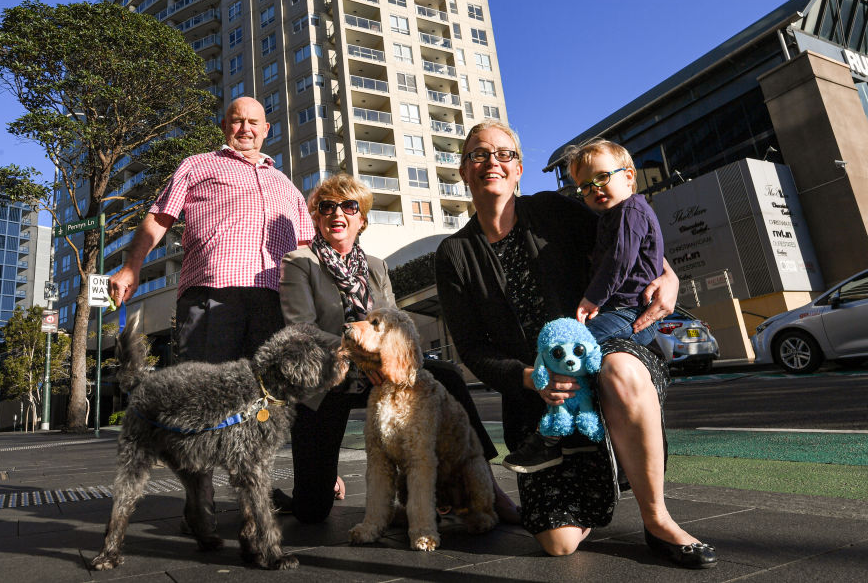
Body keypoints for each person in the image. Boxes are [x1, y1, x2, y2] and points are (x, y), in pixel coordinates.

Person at [435, 121, 717, 569]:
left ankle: (657, 518)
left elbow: (625, 231)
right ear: (464, 171)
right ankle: (604, 469)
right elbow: (470, 347)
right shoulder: (454, 253)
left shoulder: (552, 210)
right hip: (540, 401)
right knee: (558, 544)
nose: (492, 162)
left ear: (519, 169)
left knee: (619, 371)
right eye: (478, 155)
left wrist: (669, 274)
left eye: (504, 154)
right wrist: (529, 378)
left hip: (609, 354)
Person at [108, 96, 315, 538]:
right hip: (210, 295)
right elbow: (158, 218)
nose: (245, 128)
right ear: (224, 126)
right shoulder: (197, 165)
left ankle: (251, 514)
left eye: (253, 122)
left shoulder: (286, 186)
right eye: (237, 121)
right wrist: (132, 265)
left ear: (266, 129)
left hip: (270, 304)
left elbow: (310, 250)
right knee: (198, 404)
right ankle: (198, 507)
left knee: (262, 410)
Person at [273, 173, 520, 525]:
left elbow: (394, 323)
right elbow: (303, 330)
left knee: (446, 376)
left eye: (348, 206)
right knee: (312, 512)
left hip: (383, 373)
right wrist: (363, 355)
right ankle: (301, 492)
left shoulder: (375, 266)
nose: (336, 213)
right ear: (316, 217)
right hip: (327, 380)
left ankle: (488, 488)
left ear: (362, 218)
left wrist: (389, 358)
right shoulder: (299, 261)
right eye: (326, 207)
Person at [501, 138, 664, 474]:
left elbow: (619, 262)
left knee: (572, 349)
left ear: (630, 176)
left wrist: (593, 298)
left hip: (629, 312)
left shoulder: (630, 211)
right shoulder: (611, 216)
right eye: (585, 187)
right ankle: (578, 428)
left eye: (602, 178)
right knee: (575, 357)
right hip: (621, 311)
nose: (594, 190)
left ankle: (550, 439)